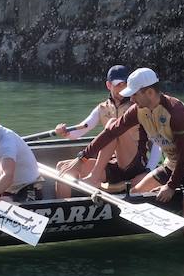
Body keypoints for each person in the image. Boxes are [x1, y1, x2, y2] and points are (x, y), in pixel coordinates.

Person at [66, 67, 184, 254]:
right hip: (171, 166)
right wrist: (82, 157)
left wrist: (171, 186)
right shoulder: (138, 110)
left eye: (134, 94)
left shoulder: (177, 112)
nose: (131, 99)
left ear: (149, 92)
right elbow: (111, 132)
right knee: (135, 196)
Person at [51, 65, 149, 197]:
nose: (124, 88)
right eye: (119, 85)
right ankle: (63, 210)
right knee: (62, 167)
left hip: (135, 164)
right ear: (109, 85)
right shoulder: (102, 108)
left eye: (126, 84)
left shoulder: (138, 106)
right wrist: (65, 132)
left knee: (113, 125)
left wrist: (150, 170)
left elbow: (156, 143)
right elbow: (81, 129)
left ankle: (94, 177)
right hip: (113, 163)